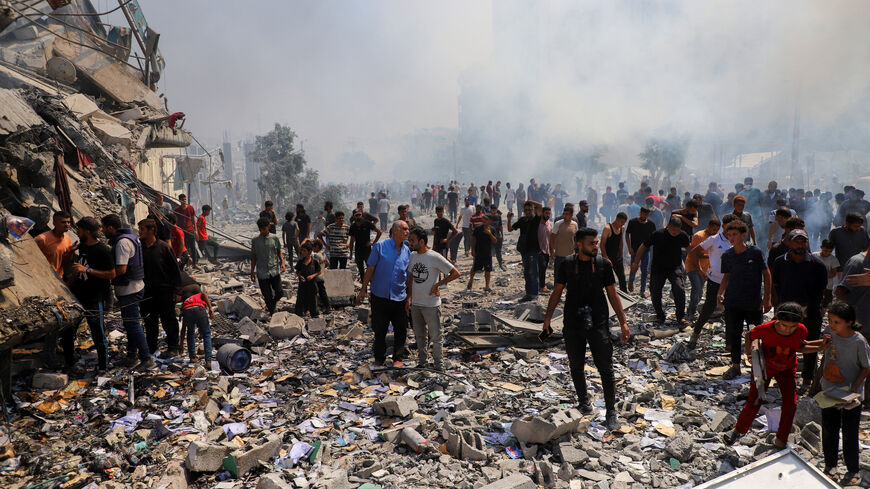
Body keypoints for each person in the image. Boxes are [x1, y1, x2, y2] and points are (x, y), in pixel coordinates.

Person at [542, 227, 630, 431]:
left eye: (597, 243)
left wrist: (623, 322)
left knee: (606, 369)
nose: (596, 246)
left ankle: (611, 412)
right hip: (573, 322)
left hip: (598, 322)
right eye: (592, 243)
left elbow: (613, 294)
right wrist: (547, 318)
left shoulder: (603, 265)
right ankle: (584, 403)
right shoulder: (566, 264)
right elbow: (557, 292)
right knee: (576, 366)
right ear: (578, 243)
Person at [725, 302, 829, 449]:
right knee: (755, 400)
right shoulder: (766, 329)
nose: (788, 330)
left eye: (792, 327)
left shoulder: (801, 330)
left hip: (787, 370)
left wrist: (820, 347)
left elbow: (800, 347)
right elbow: (749, 336)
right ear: (777, 319)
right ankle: (737, 430)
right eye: (784, 325)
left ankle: (781, 439)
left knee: (790, 405)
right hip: (764, 369)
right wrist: (749, 355)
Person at [818, 301, 869, 485]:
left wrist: (855, 387)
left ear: (849, 322)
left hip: (850, 394)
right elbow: (822, 353)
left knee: (850, 432)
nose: (832, 325)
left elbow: (866, 367)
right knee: (829, 429)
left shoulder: (858, 341)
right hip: (830, 389)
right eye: (830, 320)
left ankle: (852, 469)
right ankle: (830, 466)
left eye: (836, 322)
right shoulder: (829, 333)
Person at [771, 229, 828, 387]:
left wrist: (820, 308)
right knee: (784, 345)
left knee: (811, 344)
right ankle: (783, 376)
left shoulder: (817, 264)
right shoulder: (780, 262)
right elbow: (776, 286)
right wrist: (776, 308)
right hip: (786, 313)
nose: (801, 244)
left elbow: (823, 290)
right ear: (789, 243)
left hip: (810, 312)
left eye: (803, 241)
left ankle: (807, 378)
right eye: (797, 241)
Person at [716, 219, 772, 379]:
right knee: (734, 334)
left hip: (752, 302)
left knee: (755, 334)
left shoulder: (755, 252)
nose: (731, 238)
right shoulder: (727, 255)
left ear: (743, 235)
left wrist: (767, 298)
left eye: (734, 234)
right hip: (733, 301)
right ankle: (735, 366)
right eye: (729, 235)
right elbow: (726, 276)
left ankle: (757, 367)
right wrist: (720, 292)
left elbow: (766, 274)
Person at [100, 214, 153, 370]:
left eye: (103, 227)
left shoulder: (122, 242)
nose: (102, 231)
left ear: (110, 228)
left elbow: (121, 269)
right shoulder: (130, 238)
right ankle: (131, 356)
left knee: (133, 325)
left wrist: (101, 274)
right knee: (130, 325)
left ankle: (146, 359)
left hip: (130, 290)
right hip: (133, 287)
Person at [357, 221, 411, 367]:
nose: (407, 231)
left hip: (399, 297)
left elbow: (408, 277)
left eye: (408, 229)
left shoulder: (407, 251)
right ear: (395, 231)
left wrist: (409, 298)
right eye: (404, 229)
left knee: (401, 329)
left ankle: (398, 358)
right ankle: (379, 358)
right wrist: (363, 290)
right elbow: (370, 269)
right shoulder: (380, 246)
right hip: (380, 296)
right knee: (380, 330)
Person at [406, 227, 460, 371]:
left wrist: (438, 284)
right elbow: (411, 279)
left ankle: (438, 365)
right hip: (416, 304)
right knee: (420, 336)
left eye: (413, 240)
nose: (410, 243)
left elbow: (455, 273)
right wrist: (409, 299)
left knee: (436, 337)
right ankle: (422, 362)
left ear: (422, 241)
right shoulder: (413, 256)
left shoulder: (434, 257)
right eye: (410, 240)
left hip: (431, 304)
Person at [67, 217, 112, 372]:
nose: (77, 233)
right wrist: (69, 284)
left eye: (79, 230)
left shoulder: (103, 250)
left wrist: (87, 270)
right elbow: (78, 266)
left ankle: (103, 367)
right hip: (79, 295)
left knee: (98, 333)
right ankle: (69, 363)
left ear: (87, 231)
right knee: (69, 330)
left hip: (94, 297)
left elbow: (111, 274)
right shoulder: (83, 246)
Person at [630, 217, 691, 327]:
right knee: (655, 292)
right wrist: (636, 262)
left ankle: (680, 317)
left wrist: (695, 265)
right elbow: (643, 247)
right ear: (668, 226)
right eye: (673, 230)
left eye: (677, 230)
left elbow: (690, 250)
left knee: (679, 289)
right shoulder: (658, 234)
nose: (675, 232)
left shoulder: (683, 235)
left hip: (674, 267)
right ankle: (660, 316)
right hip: (658, 268)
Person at [687, 214, 736, 349]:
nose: (732, 230)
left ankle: (729, 343)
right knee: (708, 309)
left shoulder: (736, 241)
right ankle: (695, 335)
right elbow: (694, 252)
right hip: (715, 281)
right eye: (730, 227)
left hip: (730, 282)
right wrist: (700, 270)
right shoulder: (714, 239)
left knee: (730, 312)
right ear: (723, 226)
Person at [138, 219, 182, 357]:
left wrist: (177, 290)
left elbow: (175, 270)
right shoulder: (139, 248)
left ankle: (173, 347)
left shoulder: (163, 247)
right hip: (146, 291)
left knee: (168, 319)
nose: (139, 232)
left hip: (164, 290)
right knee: (149, 321)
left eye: (142, 229)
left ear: (151, 230)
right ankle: (151, 348)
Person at [508, 200, 544, 301]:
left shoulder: (536, 219)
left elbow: (540, 205)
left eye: (529, 209)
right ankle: (529, 293)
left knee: (533, 272)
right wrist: (509, 219)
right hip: (524, 250)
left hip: (533, 249)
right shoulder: (522, 220)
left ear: (532, 210)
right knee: (527, 272)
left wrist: (529, 201)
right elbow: (510, 229)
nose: (528, 211)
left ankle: (534, 294)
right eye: (526, 210)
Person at [686, 219, 721, 318]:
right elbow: (694, 254)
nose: (715, 232)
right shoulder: (699, 236)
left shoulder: (715, 237)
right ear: (708, 226)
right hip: (693, 266)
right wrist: (700, 269)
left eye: (717, 230)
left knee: (700, 291)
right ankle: (691, 312)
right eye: (713, 229)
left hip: (705, 268)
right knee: (696, 288)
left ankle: (692, 309)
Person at [251, 217, 286, 315]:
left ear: (268, 227)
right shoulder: (255, 240)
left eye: (264, 229)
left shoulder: (274, 238)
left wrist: (282, 263)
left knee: (280, 292)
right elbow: (253, 257)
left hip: (274, 270)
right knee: (267, 295)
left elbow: (279, 252)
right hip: (262, 272)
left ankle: (273, 304)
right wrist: (252, 271)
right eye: (260, 229)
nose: (262, 231)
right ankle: (272, 313)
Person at [180, 279, 214, 368]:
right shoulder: (197, 295)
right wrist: (210, 308)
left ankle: (192, 357)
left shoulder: (185, 303)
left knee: (190, 332)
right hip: (199, 309)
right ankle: (208, 361)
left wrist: (181, 345)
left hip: (187, 312)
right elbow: (204, 295)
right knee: (206, 334)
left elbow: (183, 329)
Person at [626, 207, 656, 297]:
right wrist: (629, 247)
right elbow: (627, 234)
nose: (643, 216)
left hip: (646, 251)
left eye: (646, 214)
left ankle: (642, 290)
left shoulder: (651, 224)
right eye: (642, 213)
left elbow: (654, 237)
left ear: (648, 215)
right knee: (634, 267)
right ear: (640, 213)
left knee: (645, 270)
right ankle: (631, 281)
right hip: (634, 250)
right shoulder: (632, 222)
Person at [34, 211, 73, 276]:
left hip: (57, 277)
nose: (67, 225)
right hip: (42, 274)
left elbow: (64, 262)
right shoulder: (42, 239)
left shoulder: (67, 240)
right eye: (63, 222)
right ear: (54, 223)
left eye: (68, 222)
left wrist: (71, 252)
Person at [468, 214, 497, 291]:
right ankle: (471, 280)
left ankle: (487, 286)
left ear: (490, 221)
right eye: (483, 219)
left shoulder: (492, 229)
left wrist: (489, 234)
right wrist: (472, 250)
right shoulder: (478, 229)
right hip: (478, 252)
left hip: (487, 253)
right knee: (474, 268)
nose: (484, 220)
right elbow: (472, 239)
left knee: (488, 270)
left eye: (486, 219)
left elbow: (495, 241)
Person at [600, 212, 628, 293]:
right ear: (617, 219)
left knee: (622, 277)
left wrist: (621, 254)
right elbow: (602, 244)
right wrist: (606, 257)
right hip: (607, 257)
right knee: (606, 278)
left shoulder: (622, 228)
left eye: (624, 223)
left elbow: (621, 241)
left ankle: (624, 293)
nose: (622, 224)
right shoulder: (607, 228)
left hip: (617, 256)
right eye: (621, 222)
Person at [349, 210, 381, 279]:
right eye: (356, 215)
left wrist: (373, 243)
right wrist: (351, 253)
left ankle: (372, 284)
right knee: (361, 270)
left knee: (370, 268)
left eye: (359, 215)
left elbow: (379, 232)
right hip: (358, 250)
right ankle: (364, 284)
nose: (358, 216)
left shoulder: (367, 223)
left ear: (361, 215)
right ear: (354, 216)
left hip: (367, 250)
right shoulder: (353, 226)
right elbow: (351, 241)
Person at [550, 204, 578, 279]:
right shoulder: (558, 224)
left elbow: (575, 238)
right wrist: (552, 252)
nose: (565, 216)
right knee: (558, 276)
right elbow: (552, 238)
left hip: (570, 255)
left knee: (570, 277)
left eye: (567, 214)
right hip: (559, 255)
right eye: (564, 214)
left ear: (571, 215)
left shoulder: (574, 224)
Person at [295, 242, 322, 318]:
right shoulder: (301, 261)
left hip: (312, 284)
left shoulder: (314, 262)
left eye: (304, 251)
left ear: (309, 252)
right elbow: (297, 271)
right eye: (302, 251)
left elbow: (319, 271)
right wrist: (300, 276)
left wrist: (312, 276)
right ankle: (300, 313)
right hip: (302, 284)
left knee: (312, 299)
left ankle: (314, 314)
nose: (302, 252)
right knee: (301, 298)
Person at [815, 239, 840, 310]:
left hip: (827, 286)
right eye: (825, 250)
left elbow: (834, 273)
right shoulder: (814, 256)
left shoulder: (833, 259)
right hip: (815, 285)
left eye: (830, 251)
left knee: (826, 305)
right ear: (821, 247)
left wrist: (822, 277)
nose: (827, 253)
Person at [174, 194, 199, 265]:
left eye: (185, 199)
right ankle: (187, 263)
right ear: (179, 200)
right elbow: (176, 222)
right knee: (185, 248)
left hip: (190, 231)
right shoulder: (177, 210)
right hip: (182, 232)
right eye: (182, 200)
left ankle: (195, 263)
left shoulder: (190, 208)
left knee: (193, 248)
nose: (184, 201)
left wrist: (196, 230)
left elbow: (193, 220)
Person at [538, 207, 553, 292]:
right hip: (539, 250)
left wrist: (551, 251)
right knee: (542, 267)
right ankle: (542, 286)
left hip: (546, 250)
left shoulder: (549, 224)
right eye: (546, 213)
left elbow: (550, 238)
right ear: (542, 213)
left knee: (543, 268)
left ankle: (539, 285)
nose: (548, 215)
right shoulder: (537, 224)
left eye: (549, 213)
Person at [489, 205, 505, 270]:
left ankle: (500, 265)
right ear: (491, 210)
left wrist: (502, 235)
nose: (494, 211)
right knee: (490, 252)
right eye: (493, 210)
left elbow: (500, 226)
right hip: (490, 236)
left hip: (498, 236)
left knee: (498, 251)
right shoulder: (488, 217)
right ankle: (490, 265)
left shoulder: (498, 216)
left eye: (495, 210)